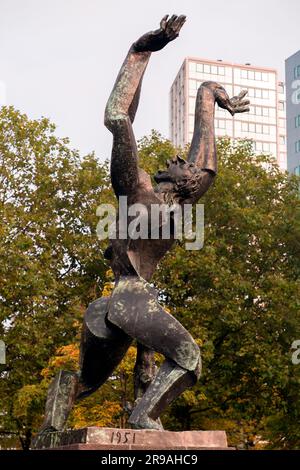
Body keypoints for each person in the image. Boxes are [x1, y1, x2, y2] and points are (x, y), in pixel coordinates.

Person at [36, 14, 250, 437]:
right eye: (186, 171)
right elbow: (118, 117)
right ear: (172, 178)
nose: (194, 173)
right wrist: (144, 48)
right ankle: (142, 416)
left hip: (114, 307)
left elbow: (206, 162)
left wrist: (213, 98)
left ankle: (51, 427)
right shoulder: (137, 192)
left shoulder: (177, 205)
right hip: (128, 301)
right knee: (188, 357)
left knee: (87, 381)